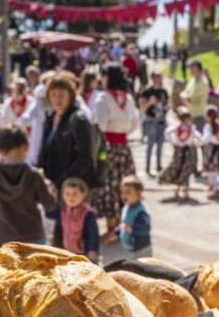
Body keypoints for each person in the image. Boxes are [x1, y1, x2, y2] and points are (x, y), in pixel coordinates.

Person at [38, 71, 97, 240]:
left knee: (76, 238)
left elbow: (85, 158)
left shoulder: (78, 120)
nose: (57, 99)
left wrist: (61, 183)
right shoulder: (50, 117)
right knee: (57, 238)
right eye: (53, 94)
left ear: (71, 95)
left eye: (62, 95)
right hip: (55, 188)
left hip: (73, 190)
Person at [0, 125, 56, 248]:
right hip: (33, 236)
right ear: (26, 146)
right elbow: (49, 205)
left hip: (5, 237)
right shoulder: (34, 175)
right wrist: (52, 191)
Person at [94, 63, 139, 234]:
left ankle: (111, 226)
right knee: (123, 182)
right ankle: (121, 224)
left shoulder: (103, 98)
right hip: (124, 148)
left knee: (109, 185)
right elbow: (134, 124)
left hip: (108, 148)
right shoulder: (128, 98)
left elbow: (100, 125)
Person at [53, 178, 100, 263]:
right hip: (68, 251)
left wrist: (93, 249)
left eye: (75, 194)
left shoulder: (88, 213)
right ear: (62, 195)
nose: (71, 197)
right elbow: (48, 213)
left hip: (85, 253)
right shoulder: (63, 210)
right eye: (67, 194)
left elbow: (94, 234)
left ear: (84, 194)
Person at [160, 107, 200, 200]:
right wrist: (195, 144)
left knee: (177, 168)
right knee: (186, 170)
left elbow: (167, 133)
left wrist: (174, 143)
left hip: (179, 151)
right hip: (189, 152)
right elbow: (198, 138)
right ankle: (185, 189)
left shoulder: (175, 128)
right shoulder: (191, 129)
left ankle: (177, 187)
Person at [139, 71, 169, 176]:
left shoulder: (164, 92)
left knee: (160, 145)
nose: (157, 79)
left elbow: (168, 104)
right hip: (151, 121)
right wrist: (150, 103)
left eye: (158, 77)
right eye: (155, 77)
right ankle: (147, 166)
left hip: (162, 121)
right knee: (150, 145)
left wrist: (168, 107)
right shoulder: (147, 91)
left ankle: (158, 165)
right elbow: (142, 107)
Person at [119, 176, 152, 258]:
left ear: (138, 193)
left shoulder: (141, 211)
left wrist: (131, 228)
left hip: (141, 249)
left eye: (128, 192)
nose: (124, 195)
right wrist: (114, 232)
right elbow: (125, 223)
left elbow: (146, 228)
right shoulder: (128, 206)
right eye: (122, 192)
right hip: (132, 248)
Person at [202, 104, 219, 198]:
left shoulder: (208, 126)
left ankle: (217, 187)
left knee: (211, 169)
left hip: (211, 149)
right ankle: (211, 184)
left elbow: (206, 138)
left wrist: (199, 142)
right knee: (214, 169)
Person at [180, 60, 209, 131]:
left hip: (199, 117)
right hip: (190, 115)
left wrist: (185, 98)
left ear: (199, 68)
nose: (191, 69)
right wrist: (185, 97)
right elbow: (183, 93)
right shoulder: (192, 80)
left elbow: (192, 98)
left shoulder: (203, 82)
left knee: (198, 140)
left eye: (193, 67)